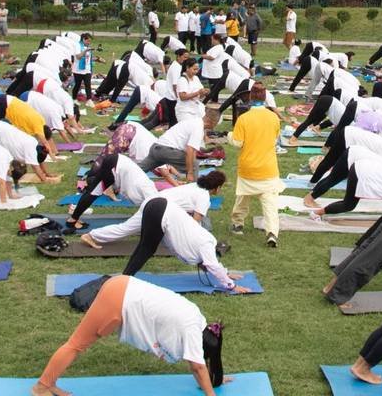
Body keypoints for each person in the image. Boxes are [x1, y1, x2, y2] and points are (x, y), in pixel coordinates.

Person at [30, 275, 228, 396]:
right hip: (117, 299)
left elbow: (199, 364)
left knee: (76, 344)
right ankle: (41, 388)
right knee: (76, 345)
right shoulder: (193, 331)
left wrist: (215, 377)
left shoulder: (197, 318)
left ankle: (49, 383)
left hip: (123, 285)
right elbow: (198, 366)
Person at [80, 197, 251, 292]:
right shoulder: (206, 243)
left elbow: (211, 265)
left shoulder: (198, 247)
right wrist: (231, 285)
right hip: (159, 209)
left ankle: (125, 278)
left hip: (158, 206)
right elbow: (211, 264)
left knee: (145, 248)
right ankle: (124, 280)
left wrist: (226, 273)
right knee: (146, 249)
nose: (204, 267)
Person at [228, 83, 284, 247]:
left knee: (242, 197)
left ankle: (238, 223)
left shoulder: (243, 118)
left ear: (251, 97)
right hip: (268, 168)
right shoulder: (273, 117)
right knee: (270, 204)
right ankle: (272, 232)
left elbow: (238, 143)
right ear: (265, 97)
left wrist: (230, 135)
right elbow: (274, 139)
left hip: (248, 167)